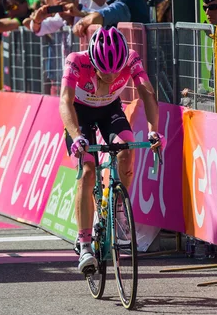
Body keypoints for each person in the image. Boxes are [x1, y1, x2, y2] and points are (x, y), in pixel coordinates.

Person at [59, 26, 163, 273]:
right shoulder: (76, 61)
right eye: (104, 72)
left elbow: (147, 93)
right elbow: (64, 100)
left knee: (127, 149)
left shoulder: (131, 59)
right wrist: (76, 136)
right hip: (79, 113)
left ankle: (117, 208)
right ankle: (84, 243)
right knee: (87, 170)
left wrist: (153, 130)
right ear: (92, 62)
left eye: (116, 72)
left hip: (109, 110)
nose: (111, 76)